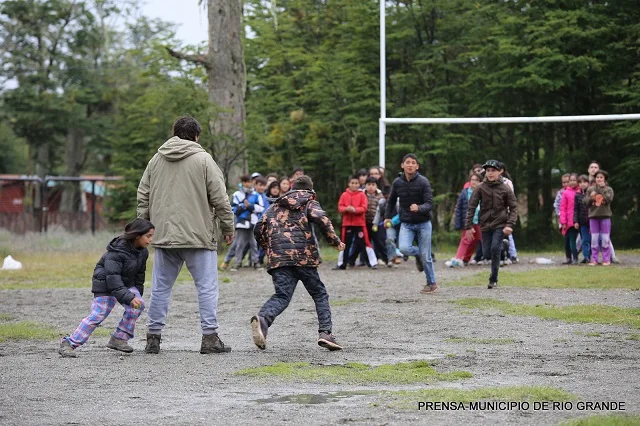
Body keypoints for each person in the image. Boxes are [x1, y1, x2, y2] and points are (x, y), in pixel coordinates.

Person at [137, 116, 235, 354]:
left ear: (174, 133)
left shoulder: (156, 160)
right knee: (206, 287)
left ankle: (153, 337)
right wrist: (228, 227)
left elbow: (143, 196)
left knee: (160, 288)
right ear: (196, 136)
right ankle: (210, 338)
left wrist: (144, 229)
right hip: (198, 236)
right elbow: (220, 198)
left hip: (163, 236)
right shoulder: (204, 160)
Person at [252, 175, 345, 351]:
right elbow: (323, 220)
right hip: (304, 258)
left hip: (279, 259)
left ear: (293, 188)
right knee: (319, 294)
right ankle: (326, 333)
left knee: (282, 296)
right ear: (311, 189)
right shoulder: (309, 202)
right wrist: (335, 242)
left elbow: (258, 228)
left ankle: (263, 320)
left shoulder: (274, 206)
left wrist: (269, 248)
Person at [58, 219, 154, 357]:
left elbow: (139, 275)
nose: (151, 240)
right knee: (98, 314)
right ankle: (69, 343)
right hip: (106, 284)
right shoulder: (116, 251)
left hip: (124, 284)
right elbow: (112, 278)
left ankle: (119, 338)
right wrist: (129, 297)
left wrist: (136, 294)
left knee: (137, 305)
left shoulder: (143, 252)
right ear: (137, 235)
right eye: (148, 236)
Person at [384, 154, 437, 294]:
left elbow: (430, 203)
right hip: (406, 222)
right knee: (404, 249)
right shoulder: (397, 182)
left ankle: (431, 283)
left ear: (417, 166)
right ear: (402, 165)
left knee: (426, 257)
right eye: (407, 162)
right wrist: (387, 217)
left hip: (423, 222)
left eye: (413, 163)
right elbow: (390, 202)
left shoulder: (423, 182)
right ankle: (420, 254)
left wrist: (419, 208)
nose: (410, 165)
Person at [464, 160, 517, 289]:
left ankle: (493, 279)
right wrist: (469, 226)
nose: (490, 173)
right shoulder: (480, 187)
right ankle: (503, 246)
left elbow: (514, 207)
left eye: (493, 170)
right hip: (485, 224)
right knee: (487, 254)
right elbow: (471, 206)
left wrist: (510, 224)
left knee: (494, 249)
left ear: (500, 172)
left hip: (500, 223)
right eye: (488, 171)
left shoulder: (505, 188)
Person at [337, 176, 377, 269]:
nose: (354, 185)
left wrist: (355, 210)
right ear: (349, 184)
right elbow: (340, 207)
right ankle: (342, 263)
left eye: (356, 183)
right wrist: (347, 209)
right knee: (344, 243)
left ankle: (372, 262)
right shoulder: (344, 195)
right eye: (352, 183)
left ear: (359, 184)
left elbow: (364, 207)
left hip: (359, 224)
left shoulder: (362, 195)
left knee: (365, 242)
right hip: (347, 224)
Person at [230, 175, 262, 271]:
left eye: (249, 182)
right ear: (243, 182)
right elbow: (233, 209)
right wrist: (243, 206)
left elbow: (261, 208)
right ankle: (237, 262)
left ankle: (256, 262)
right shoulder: (236, 194)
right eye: (246, 182)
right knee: (239, 244)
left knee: (254, 243)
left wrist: (250, 206)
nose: (248, 184)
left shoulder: (256, 195)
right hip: (241, 223)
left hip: (253, 223)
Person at [451, 172, 482, 267]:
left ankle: (466, 259)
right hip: (468, 221)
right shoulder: (464, 193)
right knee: (466, 239)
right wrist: (458, 222)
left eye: (476, 180)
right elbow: (459, 209)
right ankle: (458, 258)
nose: (474, 182)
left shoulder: (483, 192)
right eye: (472, 180)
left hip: (480, 221)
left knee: (475, 240)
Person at [585, 170, 614, 266]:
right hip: (593, 217)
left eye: (601, 177)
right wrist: (591, 197)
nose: (599, 179)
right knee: (594, 239)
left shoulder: (609, 189)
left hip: (605, 216)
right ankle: (594, 260)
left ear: (605, 179)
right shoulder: (590, 189)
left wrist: (601, 190)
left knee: (605, 239)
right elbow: (585, 202)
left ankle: (606, 259)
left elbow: (608, 200)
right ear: (595, 178)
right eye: (597, 177)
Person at [364, 176, 387, 264]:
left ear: (376, 186)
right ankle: (367, 260)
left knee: (380, 241)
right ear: (365, 185)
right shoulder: (362, 195)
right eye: (368, 184)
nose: (371, 187)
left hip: (377, 223)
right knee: (366, 242)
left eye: (373, 185)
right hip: (365, 222)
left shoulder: (381, 196)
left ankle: (386, 258)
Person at [560, 173, 580, 265]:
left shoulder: (580, 192)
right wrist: (563, 221)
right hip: (567, 222)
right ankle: (568, 258)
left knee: (572, 240)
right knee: (566, 242)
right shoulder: (565, 193)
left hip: (575, 221)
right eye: (570, 181)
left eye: (574, 180)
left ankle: (575, 258)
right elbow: (563, 208)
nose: (572, 182)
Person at [574, 175, 591, 263]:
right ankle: (586, 257)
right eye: (580, 182)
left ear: (588, 183)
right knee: (584, 240)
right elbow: (576, 209)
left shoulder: (592, 193)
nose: (582, 184)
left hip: (592, 221)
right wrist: (576, 221)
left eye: (584, 182)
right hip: (582, 221)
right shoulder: (577, 195)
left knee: (592, 239)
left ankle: (592, 257)